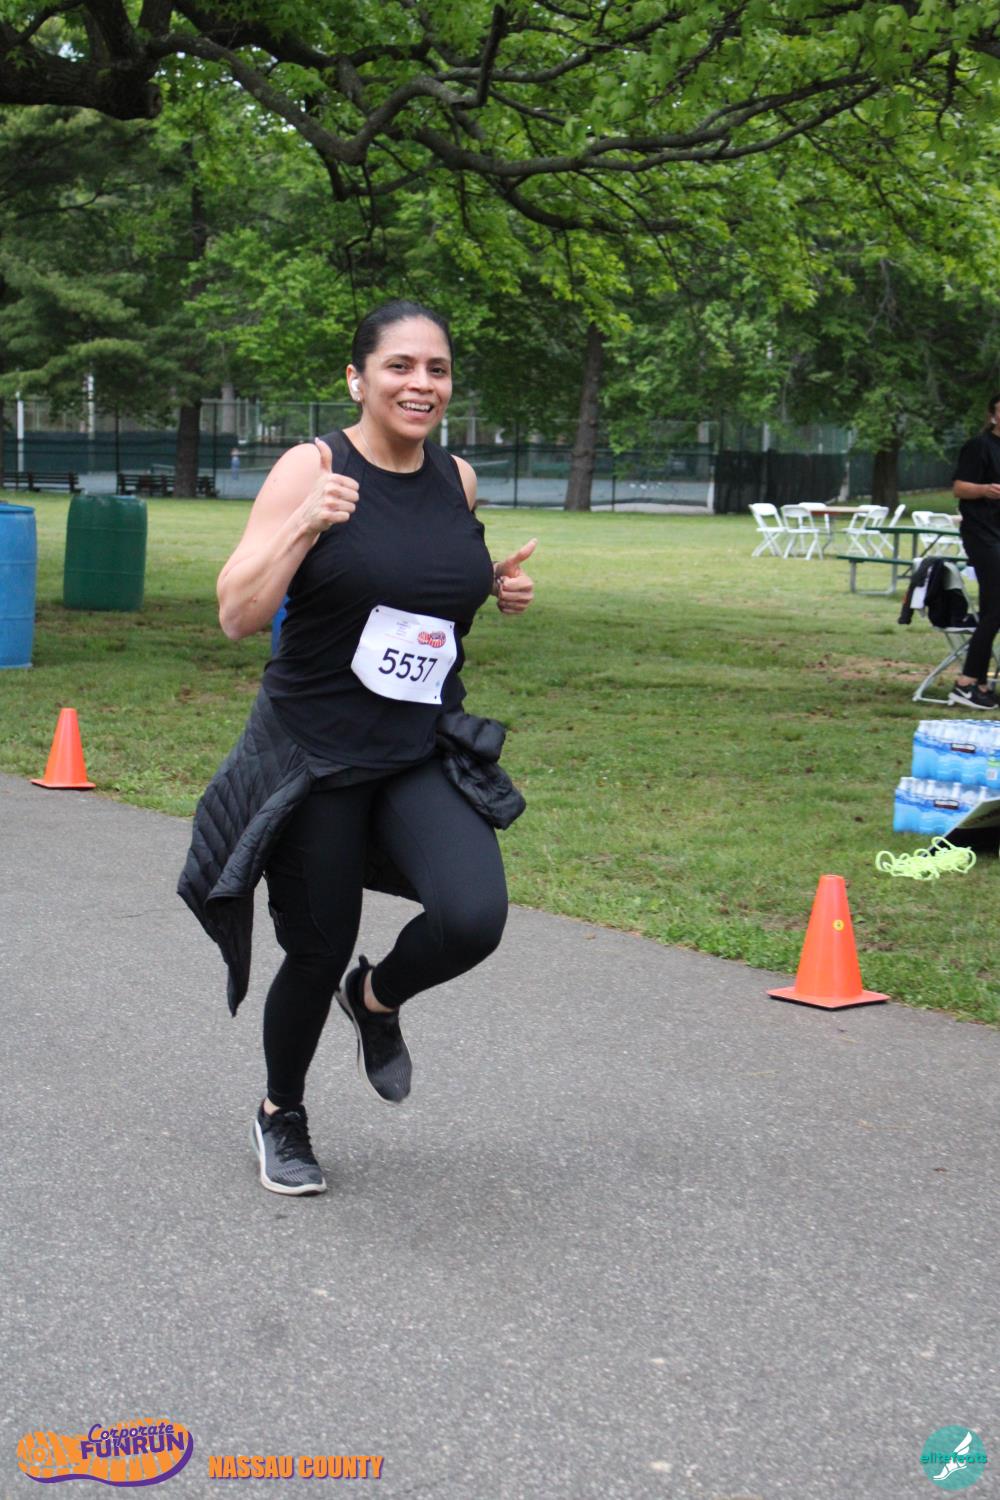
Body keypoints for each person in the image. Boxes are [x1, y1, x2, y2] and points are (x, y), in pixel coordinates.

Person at [181, 299, 536, 1196]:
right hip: (318, 754)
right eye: (399, 366)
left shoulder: (456, 478)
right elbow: (236, 615)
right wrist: (305, 525)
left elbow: (418, 586)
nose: (421, 384)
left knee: (471, 917)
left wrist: (493, 584)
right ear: (357, 378)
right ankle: (281, 1113)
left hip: (417, 745)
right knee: (317, 946)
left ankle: (375, 999)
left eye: (437, 369)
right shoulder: (313, 468)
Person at [950, 393, 1000, 709]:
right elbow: (959, 488)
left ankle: (979, 682)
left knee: (993, 606)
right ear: (993, 416)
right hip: (982, 534)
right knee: (997, 609)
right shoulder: (979, 446)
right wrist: (984, 489)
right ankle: (965, 682)